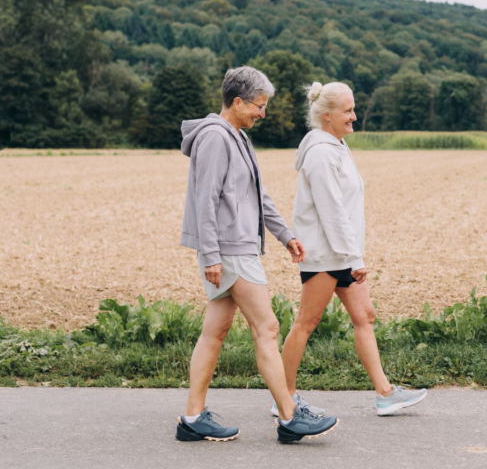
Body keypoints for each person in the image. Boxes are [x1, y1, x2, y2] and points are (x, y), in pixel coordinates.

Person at [176, 67, 339, 444]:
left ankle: (192, 418)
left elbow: (259, 197)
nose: (262, 113)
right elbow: (206, 200)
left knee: (214, 332)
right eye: (259, 106)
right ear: (237, 101)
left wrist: (285, 235)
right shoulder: (217, 138)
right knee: (267, 328)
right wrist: (212, 255)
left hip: (235, 248)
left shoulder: (238, 137)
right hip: (231, 250)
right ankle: (289, 416)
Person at [278, 81, 428, 418]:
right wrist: (354, 258)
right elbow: (332, 212)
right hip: (326, 255)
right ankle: (283, 397)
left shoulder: (337, 146)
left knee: (365, 317)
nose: (354, 116)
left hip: (342, 253)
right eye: (348, 110)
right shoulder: (319, 152)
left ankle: (386, 394)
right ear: (327, 115)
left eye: (353, 108)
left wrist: (352, 255)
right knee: (306, 321)